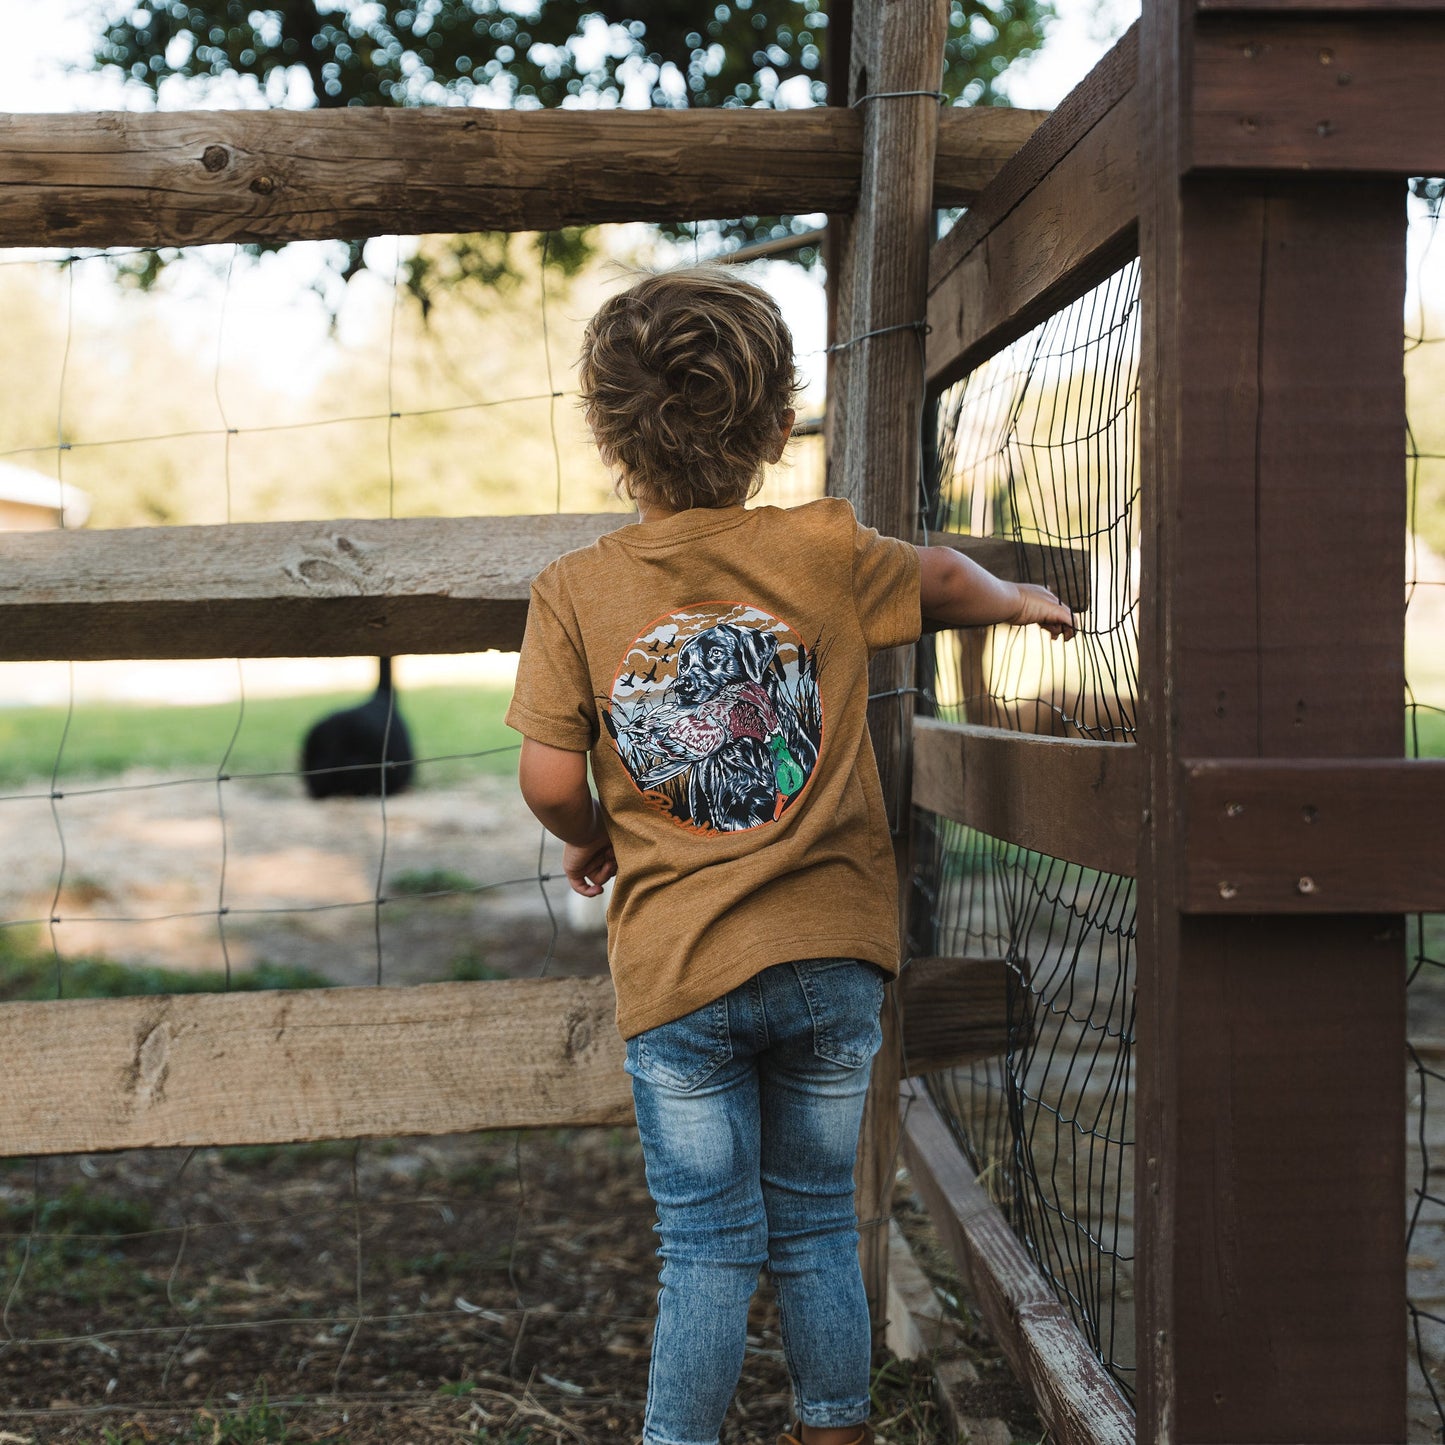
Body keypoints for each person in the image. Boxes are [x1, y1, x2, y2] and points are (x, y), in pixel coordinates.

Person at [505, 267, 1073, 1445]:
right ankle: (834, 1428)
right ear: (774, 427)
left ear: (608, 432)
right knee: (817, 1223)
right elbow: (941, 576)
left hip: (681, 971)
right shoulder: (823, 550)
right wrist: (1015, 596)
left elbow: (552, 780)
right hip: (831, 953)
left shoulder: (575, 591)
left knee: (706, 1243)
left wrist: (593, 835)